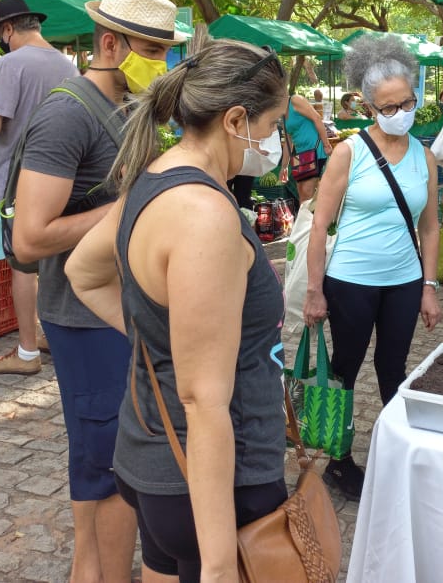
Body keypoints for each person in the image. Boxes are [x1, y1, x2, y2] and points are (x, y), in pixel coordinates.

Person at [65, 40, 290, 583]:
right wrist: (219, 567)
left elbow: (84, 272)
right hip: (214, 479)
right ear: (235, 120)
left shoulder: (153, 179)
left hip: (153, 458)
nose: (275, 139)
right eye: (273, 124)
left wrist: (163, 340)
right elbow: (203, 400)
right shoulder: (204, 214)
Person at [7, 0, 181, 582]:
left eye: (164, 51)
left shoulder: (129, 107)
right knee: (107, 464)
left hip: (118, 308)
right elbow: (29, 238)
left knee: (107, 458)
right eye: (151, 51)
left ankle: (92, 569)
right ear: (110, 44)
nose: (160, 64)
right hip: (83, 317)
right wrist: (132, 206)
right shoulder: (67, 113)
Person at [303, 34, 442, 500]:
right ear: (369, 107)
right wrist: (315, 290)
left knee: (392, 365)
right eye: (389, 107)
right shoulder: (350, 152)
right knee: (346, 366)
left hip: (404, 281)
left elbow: (431, 227)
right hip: (350, 282)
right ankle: (339, 460)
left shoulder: (424, 156)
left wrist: (429, 286)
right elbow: (320, 225)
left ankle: (397, 451)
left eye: (408, 102)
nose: (401, 112)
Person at [0, 0, 77, 376]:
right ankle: (50, 334)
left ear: (8, 29)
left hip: (15, 183)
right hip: (62, 180)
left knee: (23, 266)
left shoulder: (10, 63)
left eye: (0, 35)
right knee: (54, 263)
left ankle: (26, 351)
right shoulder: (67, 65)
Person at [286, 92, 333, 202]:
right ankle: (306, 214)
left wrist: (326, 144)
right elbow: (288, 141)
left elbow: (317, 118)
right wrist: (284, 167)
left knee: (307, 193)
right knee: (301, 193)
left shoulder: (295, 100)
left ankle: (313, 213)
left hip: (314, 151)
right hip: (299, 155)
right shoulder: (281, 112)